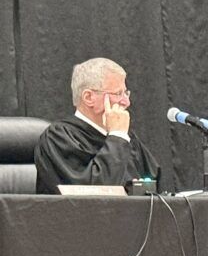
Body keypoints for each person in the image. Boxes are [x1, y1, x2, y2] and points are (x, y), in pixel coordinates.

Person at [34, 57, 160, 194]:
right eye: (118, 93)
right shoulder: (58, 138)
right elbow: (95, 197)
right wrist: (117, 136)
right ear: (88, 98)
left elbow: (156, 189)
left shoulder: (127, 139)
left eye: (126, 93)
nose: (126, 102)